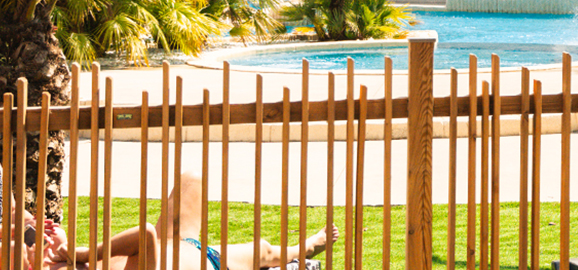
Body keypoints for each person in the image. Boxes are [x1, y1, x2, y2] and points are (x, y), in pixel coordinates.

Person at [12, 172, 338, 270]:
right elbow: (146, 234)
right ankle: (308, 247)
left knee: (190, 179)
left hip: (177, 245)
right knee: (265, 252)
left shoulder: (56, 259)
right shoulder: (76, 261)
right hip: (202, 261)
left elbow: (15, 214)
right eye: (32, 237)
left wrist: (30, 227)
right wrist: (79, 253)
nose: (45, 229)